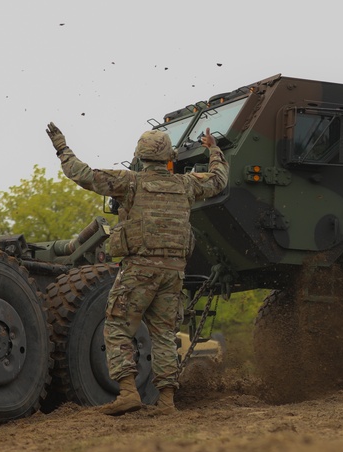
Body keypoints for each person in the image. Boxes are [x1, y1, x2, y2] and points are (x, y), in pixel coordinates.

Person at [46, 123, 229, 415]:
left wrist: (61, 147)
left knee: (117, 328)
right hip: (173, 272)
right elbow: (219, 180)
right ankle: (167, 401)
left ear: (141, 156)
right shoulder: (187, 184)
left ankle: (129, 393)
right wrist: (214, 150)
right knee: (165, 334)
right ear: (169, 155)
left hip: (140, 270)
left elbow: (81, 174)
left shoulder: (129, 182)